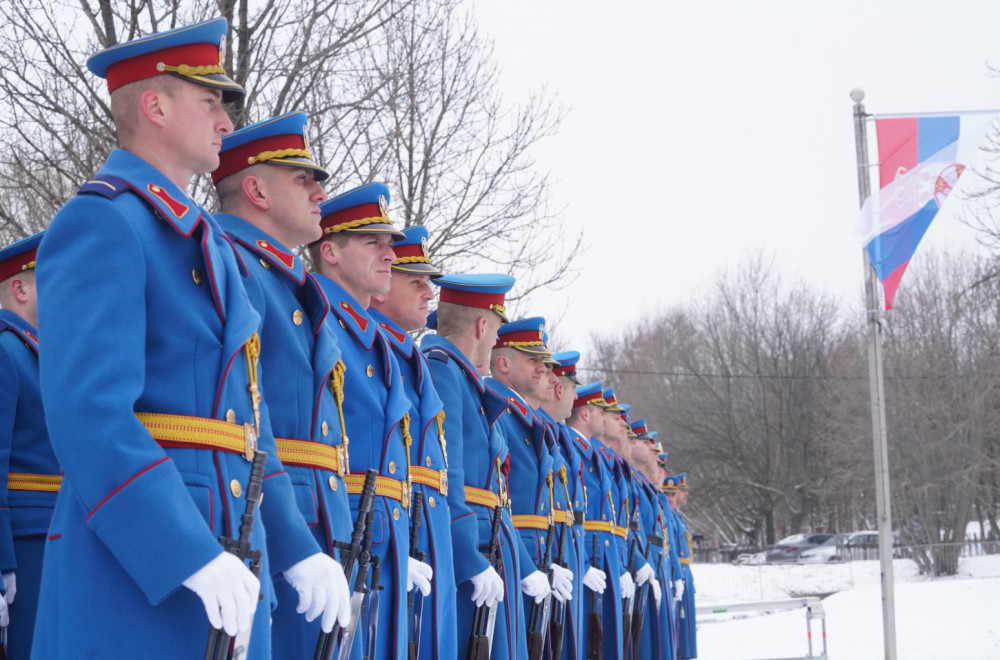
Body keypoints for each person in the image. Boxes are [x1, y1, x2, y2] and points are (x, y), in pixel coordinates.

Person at [33, 18, 337, 658]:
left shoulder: (211, 247)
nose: (227, 123)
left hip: (231, 552)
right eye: (210, 102)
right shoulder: (102, 223)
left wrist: (296, 548)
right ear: (155, 106)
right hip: (139, 564)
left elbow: (252, 430)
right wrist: (185, 550)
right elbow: (89, 413)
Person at [212, 112, 354, 657]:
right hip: (263, 520)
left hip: (316, 521)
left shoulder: (283, 280)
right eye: (303, 179)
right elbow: (248, 419)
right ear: (256, 190)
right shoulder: (234, 266)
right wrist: (295, 540)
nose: (320, 192)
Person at [309, 183, 431, 660]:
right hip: (334, 535)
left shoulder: (372, 339)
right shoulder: (317, 318)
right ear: (330, 252)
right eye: (373, 243)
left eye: (389, 243)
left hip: (377, 543)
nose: (389, 254)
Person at [419, 274, 533, 659]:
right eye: (497, 329)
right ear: (483, 325)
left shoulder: (464, 378)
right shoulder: (443, 370)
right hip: (470, 544)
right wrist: (468, 554)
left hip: (488, 540)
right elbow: (445, 472)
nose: (496, 339)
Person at [368, 225, 456, 660]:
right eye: (416, 282)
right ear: (382, 287)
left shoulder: (411, 356)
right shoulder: (371, 346)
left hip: (418, 535)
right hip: (385, 535)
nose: (429, 294)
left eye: (430, 283)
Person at [486, 318, 569, 637]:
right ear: (503, 363)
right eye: (533, 360)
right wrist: (524, 564)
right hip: (510, 558)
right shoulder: (494, 409)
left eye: (544, 362)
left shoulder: (526, 418)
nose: (544, 370)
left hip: (538, 557)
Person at [0, 232, 59, 660]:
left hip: (56, 533)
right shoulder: (6, 352)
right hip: (23, 544)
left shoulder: (43, 354)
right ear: (19, 288)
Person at [564, 382, 621, 660]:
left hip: (601, 555)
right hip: (585, 555)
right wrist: (583, 563)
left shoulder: (594, 453)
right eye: (602, 411)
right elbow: (572, 511)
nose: (611, 418)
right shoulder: (569, 446)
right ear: (585, 414)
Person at [538, 350, 588, 660]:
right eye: (573, 390)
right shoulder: (541, 430)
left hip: (565, 553)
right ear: (560, 389)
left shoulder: (559, 436)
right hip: (545, 552)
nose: (575, 399)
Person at [665, 474, 697, 659]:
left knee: (686, 631)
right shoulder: (670, 516)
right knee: (678, 629)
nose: (684, 494)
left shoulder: (677, 516)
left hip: (683, 571)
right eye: (681, 490)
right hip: (676, 571)